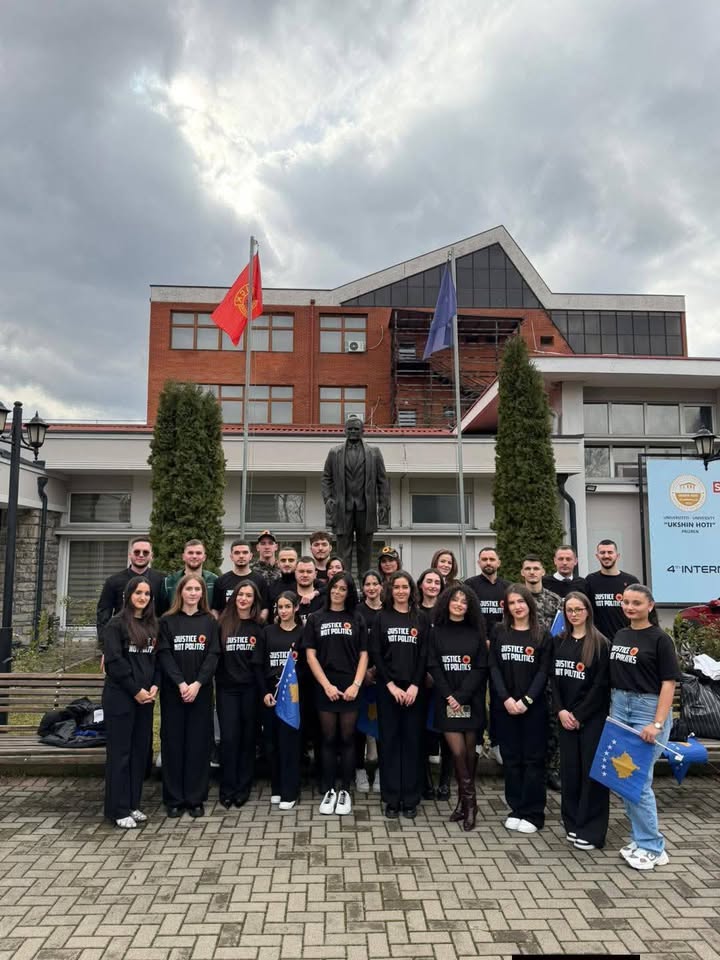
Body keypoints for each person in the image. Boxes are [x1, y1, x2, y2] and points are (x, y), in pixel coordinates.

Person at [610, 584, 680, 871]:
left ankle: (653, 847)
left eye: (636, 603)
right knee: (623, 779)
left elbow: (668, 684)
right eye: (626, 602)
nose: (630, 607)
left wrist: (657, 723)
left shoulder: (661, 639)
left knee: (637, 781)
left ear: (650, 606)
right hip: (620, 707)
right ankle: (640, 840)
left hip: (647, 711)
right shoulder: (621, 634)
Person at [304, 572, 368, 816]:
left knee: (348, 739)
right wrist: (326, 685)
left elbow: (364, 654)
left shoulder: (357, 617)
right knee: (328, 739)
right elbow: (310, 655)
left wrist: (356, 685)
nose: (338, 592)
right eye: (335, 587)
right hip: (325, 685)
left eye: (343, 588)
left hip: (351, 684)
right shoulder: (316, 618)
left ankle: (345, 791)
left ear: (349, 592)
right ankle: (330, 788)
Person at [489, 584, 551, 834]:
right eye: (512, 602)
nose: (517, 607)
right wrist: (505, 698)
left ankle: (534, 813)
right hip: (506, 708)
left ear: (529, 604)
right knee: (512, 759)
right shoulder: (499, 631)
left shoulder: (542, 635)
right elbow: (493, 667)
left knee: (533, 760)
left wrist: (526, 700)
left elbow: (543, 671)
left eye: (521, 602)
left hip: (533, 709)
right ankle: (516, 808)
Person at [551, 591, 610, 851]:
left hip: (591, 720)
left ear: (588, 611)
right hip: (565, 719)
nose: (574, 614)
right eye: (569, 610)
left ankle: (592, 831)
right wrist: (561, 711)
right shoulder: (559, 641)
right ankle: (573, 823)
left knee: (591, 775)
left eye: (578, 609)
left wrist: (579, 715)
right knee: (571, 773)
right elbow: (553, 681)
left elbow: (600, 686)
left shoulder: (600, 643)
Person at [157, 574, 219, 818]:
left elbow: (213, 655)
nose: (193, 593)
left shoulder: (210, 621)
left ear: (203, 593)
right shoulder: (167, 621)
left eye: (197, 589)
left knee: (198, 744)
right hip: (174, 693)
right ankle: (173, 799)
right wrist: (181, 684)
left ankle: (195, 798)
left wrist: (197, 684)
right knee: (173, 744)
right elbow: (164, 654)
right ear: (180, 592)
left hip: (200, 693)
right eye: (189, 589)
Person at [428, 584, 488, 831]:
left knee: (470, 754)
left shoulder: (476, 632)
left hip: (471, 700)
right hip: (446, 700)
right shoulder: (436, 632)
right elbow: (433, 665)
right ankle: (471, 803)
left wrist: (462, 696)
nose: (459, 604)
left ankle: (464, 804)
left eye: (464, 601)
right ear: (446, 603)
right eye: (455, 600)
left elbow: (480, 667)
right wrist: (449, 696)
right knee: (458, 753)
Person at [101, 576, 160, 829]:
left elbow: (157, 660)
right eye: (138, 593)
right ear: (128, 595)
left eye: (147, 594)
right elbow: (115, 663)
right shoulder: (115, 625)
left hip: (146, 700)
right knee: (120, 754)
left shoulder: (152, 625)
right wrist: (136, 690)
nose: (142, 597)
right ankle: (117, 809)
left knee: (138, 754)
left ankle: (132, 804)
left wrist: (155, 685)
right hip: (121, 698)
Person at [370, 571, 429, 819]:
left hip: (415, 691)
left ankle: (411, 798)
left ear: (411, 590)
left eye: (405, 587)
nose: (401, 591)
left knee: (412, 743)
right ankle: (392, 798)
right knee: (390, 743)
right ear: (390, 590)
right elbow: (376, 653)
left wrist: (415, 685)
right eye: (397, 587)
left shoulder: (421, 618)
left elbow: (424, 654)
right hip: (388, 691)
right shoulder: (381, 617)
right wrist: (391, 686)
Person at [215, 580, 265, 808]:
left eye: (249, 595)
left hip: (250, 691)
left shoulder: (259, 627)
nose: (244, 599)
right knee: (229, 738)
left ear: (254, 600)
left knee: (247, 738)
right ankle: (228, 786)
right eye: (240, 594)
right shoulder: (222, 624)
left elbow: (260, 664)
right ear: (234, 597)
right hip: (227, 690)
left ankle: (243, 787)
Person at [321, 416, 390, 574]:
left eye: (356, 429)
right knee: (342, 550)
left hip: (365, 508)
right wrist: (328, 498)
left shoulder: (374, 452)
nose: (353, 432)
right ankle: (343, 581)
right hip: (342, 508)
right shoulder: (334, 452)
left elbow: (382, 481)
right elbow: (326, 478)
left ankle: (365, 581)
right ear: (345, 431)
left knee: (365, 550)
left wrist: (383, 504)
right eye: (350, 429)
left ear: (363, 431)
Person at [255, 590, 304, 810]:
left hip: (292, 698)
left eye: (287, 607)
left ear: (296, 608)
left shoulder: (302, 634)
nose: (283, 611)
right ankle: (276, 787)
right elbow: (258, 665)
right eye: (280, 607)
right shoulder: (267, 632)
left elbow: (306, 666)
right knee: (272, 744)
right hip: (270, 697)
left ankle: (289, 791)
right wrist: (264, 692)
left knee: (289, 745)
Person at [520, 555, 562, 792]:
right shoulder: (517, 598)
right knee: (529, 720)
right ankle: (529, 766)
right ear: (522, 572)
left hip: (551, 668)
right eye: (528, 568)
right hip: (525, 666)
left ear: (543, 571)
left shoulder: (555, 600)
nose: (532, 572)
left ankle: (551, 769)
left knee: (553, 720)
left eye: (536, 568)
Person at [416, 568, 452, 801]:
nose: (432, 586)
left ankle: (445, 782)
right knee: (423, 732)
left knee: (447, 732)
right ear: (421, 584)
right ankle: (425, 782)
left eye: (436, 582)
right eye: (428, 581)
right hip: (420, 681)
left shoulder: (447, 612)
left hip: (445, 680)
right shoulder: (414, 611)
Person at [96, 538, 166, 650]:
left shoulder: (162, 580)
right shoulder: (113, 581)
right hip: (122, 641)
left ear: (151, 556)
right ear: (130, 554)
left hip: (153, 642)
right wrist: (105, 648)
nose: (141, 555)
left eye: (145, 552)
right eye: (137, 552)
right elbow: (103, 617)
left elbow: (165, 614)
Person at [355, 570, 383, 794]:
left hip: (383, 676)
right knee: (359, 727)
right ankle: (360, 771)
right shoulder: (357, 612)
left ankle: (382, 770)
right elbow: (352, 645)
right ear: (362, 588)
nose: (371, 588)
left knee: (383, 726)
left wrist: (377, 670)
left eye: (375, 584)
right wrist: (363, 672)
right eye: (367, 584)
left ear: (381, 586)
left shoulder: (388, 610)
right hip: (360, 677)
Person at [584, 540, 640, 640]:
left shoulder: (631, 581)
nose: (606, 556)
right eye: (602, 552)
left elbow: (639, 612)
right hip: (598, 641)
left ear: (617, 556)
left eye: (610, 552)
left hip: (626, 640)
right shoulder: (590, 580)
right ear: (597, 556)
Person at [212, 540, 269, 619]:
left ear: (251, 556)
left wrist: (258, 624)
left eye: (245, 552)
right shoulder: (221, 581)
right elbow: (215, 609)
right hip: (227, 625)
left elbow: (264, 608)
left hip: (252, 625)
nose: (241, 556)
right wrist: (218, 625)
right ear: (231, 557)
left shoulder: (260, 580)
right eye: (237, 553)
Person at [162, 539, 218, 612]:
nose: (194, 556)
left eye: (198, 553)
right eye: (190, 553)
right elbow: (162, 611)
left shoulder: (214, 580)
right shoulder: (169, 582)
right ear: (183, 557)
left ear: (204, 557)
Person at [464, 547, 509, 632]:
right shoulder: (469, 584)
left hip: (501, 636)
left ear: (498, 563)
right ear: (479, 563)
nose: (488, 563)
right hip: (476, 635)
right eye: (484, 559)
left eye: (492, 559)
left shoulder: (508, 587)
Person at [267, 546, 300, 610]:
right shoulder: (271, 587)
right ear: (278, 563)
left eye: (291, 560)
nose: (287, 564)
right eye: (283, 560)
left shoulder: (305, 584)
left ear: (297, 563)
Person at [294, 556, 325, 623]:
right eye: (301, 571)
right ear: (295, 573)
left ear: (315, 574)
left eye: (309, 572)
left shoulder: (324, 598)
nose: (305, 575)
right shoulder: (289, 597)